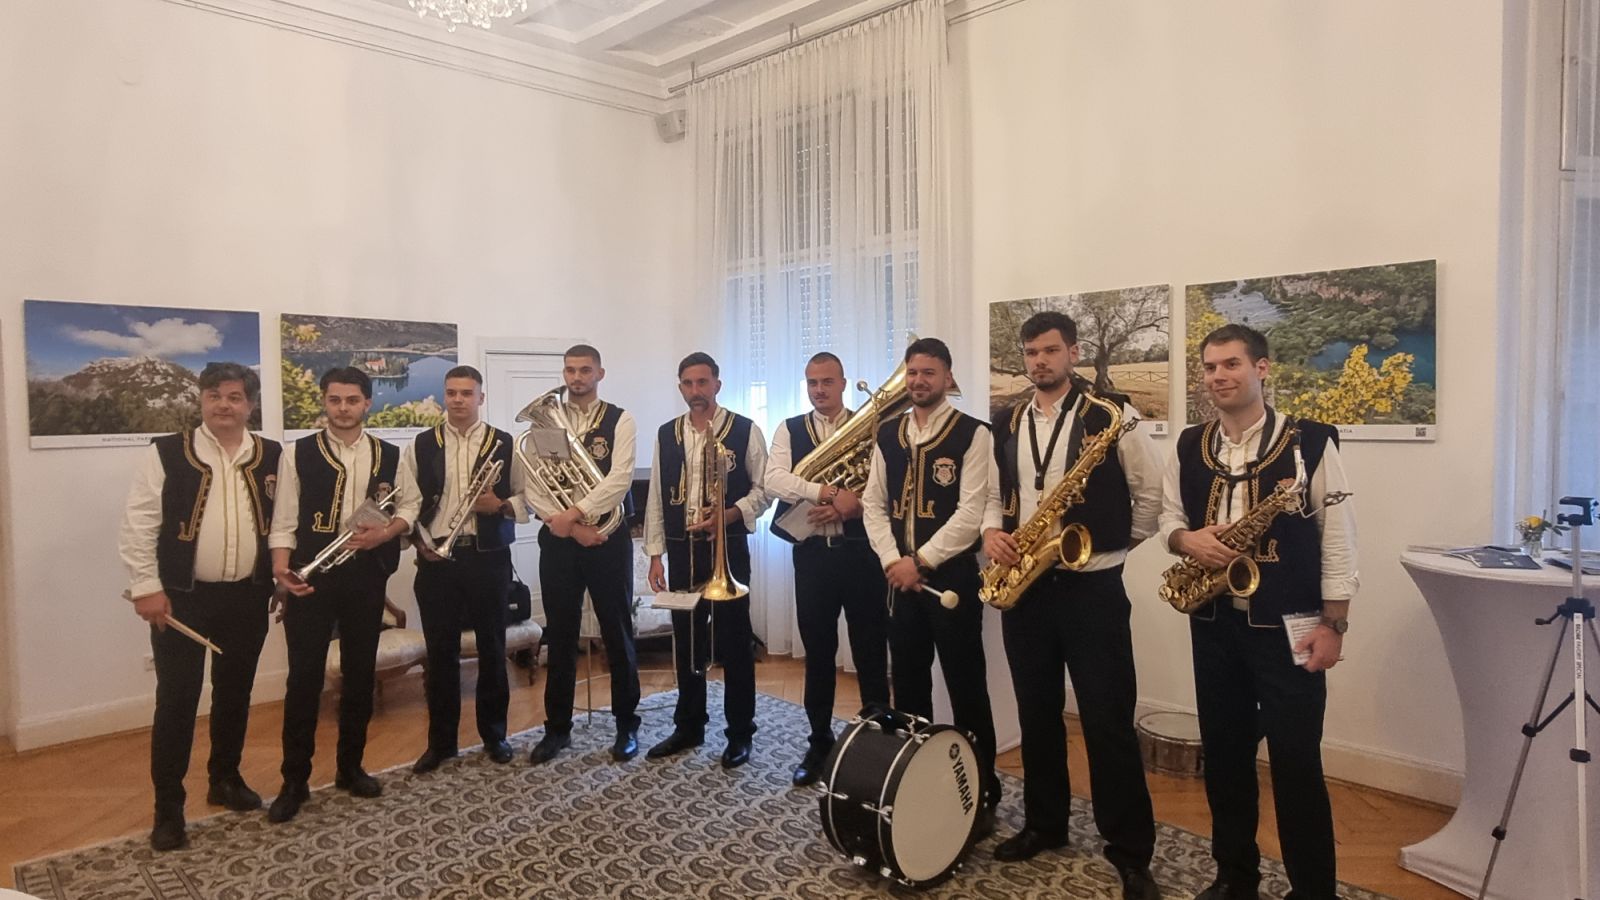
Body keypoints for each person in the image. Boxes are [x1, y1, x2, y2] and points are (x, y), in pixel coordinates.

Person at [1159, 323, 1357, 900]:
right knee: (1224, 759)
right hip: (1215, 625)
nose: (1218, 376)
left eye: (1232, 364)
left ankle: (1313, 891)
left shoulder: (1310, 442)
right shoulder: (1189, 445)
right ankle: (1234, 878)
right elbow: (1168, 517)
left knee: (1296, 764)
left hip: (1291, 627)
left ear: (1261, 369)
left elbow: (1339, 538)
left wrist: (1334, 623)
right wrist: (1185, 540)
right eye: (1210, 367)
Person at [981, 311, 1162, 898]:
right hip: (1028, 588)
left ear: (1073, 352)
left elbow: (1151, 497)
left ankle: (1130, 852)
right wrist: (992, 532)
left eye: (1050, 350)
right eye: (1031, 352)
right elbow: (993, 494)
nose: (1040, 361)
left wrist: (1112, 548)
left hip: (1092, 590)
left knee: (1108, 721)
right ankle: (1045, 823)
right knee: (1036, 713)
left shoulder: (1113, 416)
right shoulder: (1007, 419)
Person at [119, 362, 280, 851]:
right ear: (201, 400)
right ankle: (168, 810)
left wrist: (279, 577)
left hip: (248, 595)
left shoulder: (271, 454)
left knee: (235, 693)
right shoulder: (168, 452)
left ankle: (225, 780)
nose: (223, 405)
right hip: (182, 597)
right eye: (214, 396)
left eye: (234, 397)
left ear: (250, 404)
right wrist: (146, 586)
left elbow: (283, 522)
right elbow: (140, 523)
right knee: (177, 701)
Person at [266, 367, 419, 823]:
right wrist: (281, 572)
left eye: (352, 400)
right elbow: (283, 521)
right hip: (311, 580)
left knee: (359, 676)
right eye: (335, 400)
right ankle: (294, 781)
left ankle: (351, 767)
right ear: (324, 402)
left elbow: (410, 505)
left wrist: (386, 532)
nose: (344, 408)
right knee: (303, 680)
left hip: (367, 578)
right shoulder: (297, 453)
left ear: (368, 402)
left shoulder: (391, 454)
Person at [861, 336, 1000, 836]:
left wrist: (919, 561)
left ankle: (982, 792)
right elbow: (873, 504)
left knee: (966, 686)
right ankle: (915, 783)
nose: (919, 381)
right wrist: (892, 561)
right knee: (909, 686)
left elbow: (972, 511)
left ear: (947, 377)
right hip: (900, 580)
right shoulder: (888, 433)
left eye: (929, 373)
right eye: (913, 373)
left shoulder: (973, 433)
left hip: (951, 579)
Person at [763, 352, 890, 786]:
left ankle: (877, 746)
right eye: (812, 382)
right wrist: (828, 493)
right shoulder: (790, 428)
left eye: (827, 382)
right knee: (817, 653)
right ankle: (819, 742)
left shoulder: (871, 426)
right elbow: (773, 480)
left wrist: (853, 507)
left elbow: (885, 486)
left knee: (871, 650)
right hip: (814, 556)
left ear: (843, 383)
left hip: (862, 554)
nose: (819, 390)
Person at [643, 352, 770, 768]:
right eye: (688, 383)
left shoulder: (745, 430)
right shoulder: (666, 434)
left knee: (735, 643)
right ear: (680, 387)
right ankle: (689, 726)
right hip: (682, 550)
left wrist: (730, 514)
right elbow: (656, 496)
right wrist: (656, 555)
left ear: (718, 384)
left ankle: (740, 732)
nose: (695, 391)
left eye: (702, 382)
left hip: (727, 548)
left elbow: (765, 490)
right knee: (687, 642)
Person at [523, 345, 644, 764]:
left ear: (600, 373)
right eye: (571, 370)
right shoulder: (543, 423)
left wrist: (576, 513)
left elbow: (620, 478)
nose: (577, 377)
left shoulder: (620, 419)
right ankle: (557, 728)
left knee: (617, 630)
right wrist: (573, 528)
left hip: (608, 538)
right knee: (560, 633)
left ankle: (626, 724)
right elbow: (535, 483)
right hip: (561, 539)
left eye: (585, 370)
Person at [402, 365, 523, 775]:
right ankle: (441, 743)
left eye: (466, 393)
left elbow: (526, 496)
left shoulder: (504, 443)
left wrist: (499, 506)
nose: (458, 400)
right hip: (436, 559)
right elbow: (408, 503)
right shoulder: (422, 444)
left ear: (480, 398)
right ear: (444, 396)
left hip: (487, 557)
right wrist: (419, 543)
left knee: (493, 648)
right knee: (440, 654)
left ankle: (495, 735)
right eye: (451, 393)